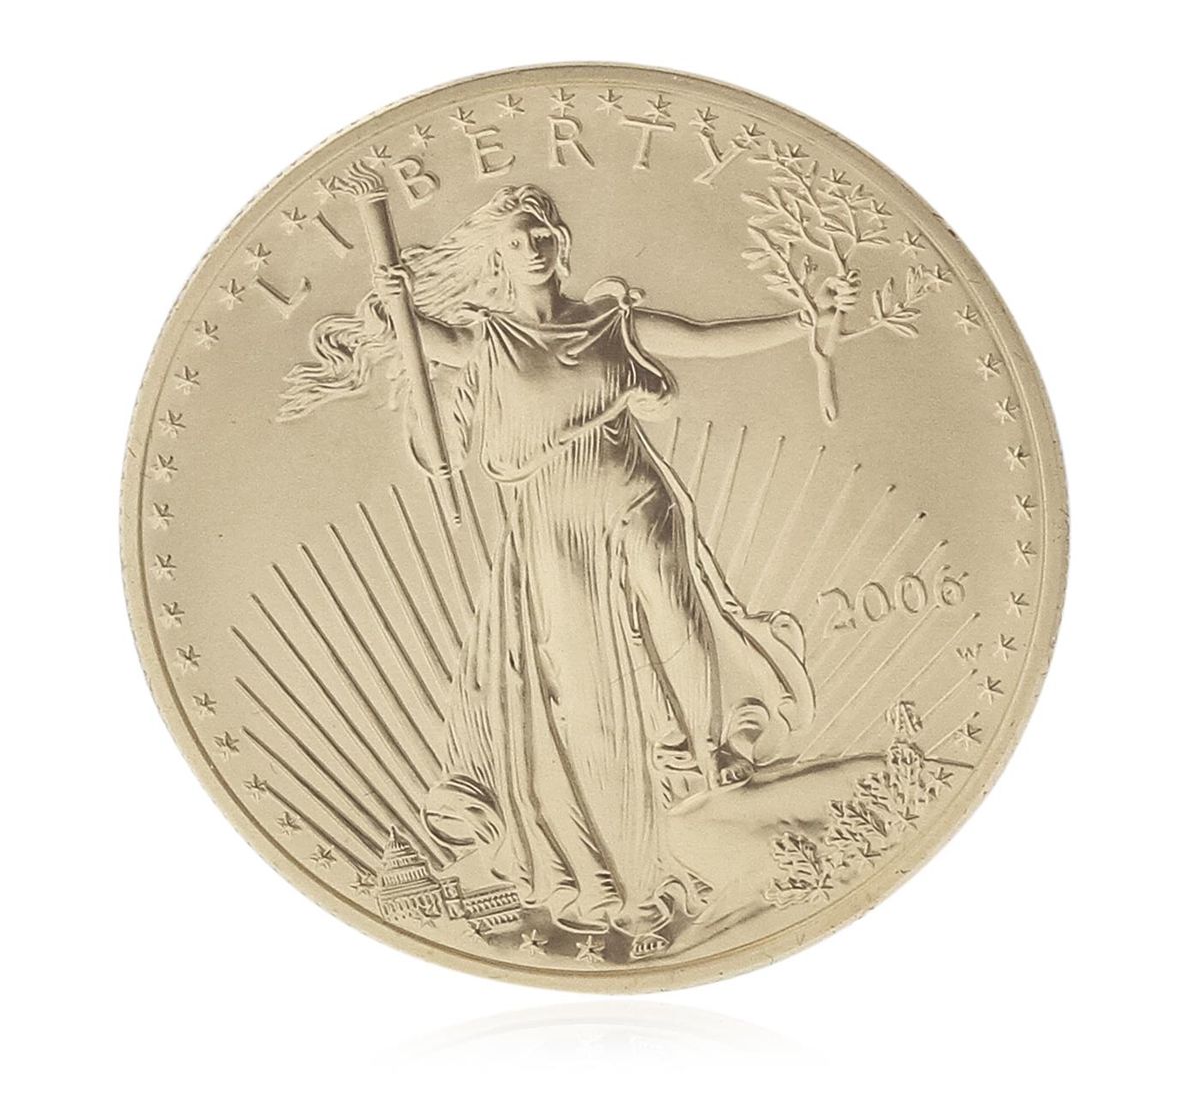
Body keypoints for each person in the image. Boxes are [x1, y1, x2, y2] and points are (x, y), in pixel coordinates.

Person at [281, 184, 841, 939]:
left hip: (635, 490)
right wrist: (390, 304)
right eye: (516, 240)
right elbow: (423, 339)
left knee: (675, 615)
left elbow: (707, 338)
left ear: (560, 241)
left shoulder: (613, 320)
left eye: (541, 233)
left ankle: (706, 760)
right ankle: (620, 820)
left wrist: (805, 322)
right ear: (499, 258)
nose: (533, 248)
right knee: (583, 666)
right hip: (551, 520)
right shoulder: (489, 340)